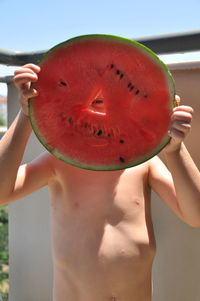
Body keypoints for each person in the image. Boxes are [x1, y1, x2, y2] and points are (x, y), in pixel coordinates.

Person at [0, 63, 200, 301]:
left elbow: (195, 215)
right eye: (93, 101)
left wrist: (174, 150)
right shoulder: (58, 162)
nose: (101, 107)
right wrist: (26, 115)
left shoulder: (143, 162)